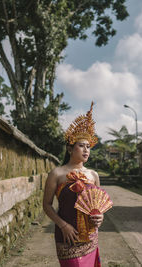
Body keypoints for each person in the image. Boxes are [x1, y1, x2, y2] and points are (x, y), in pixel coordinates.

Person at [43, 102, 104, 267]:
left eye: (88, 147)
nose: (86, 150)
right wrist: (63, 226)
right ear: (70, 149)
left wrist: (100, 217)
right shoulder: (57, 173)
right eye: (81, 146)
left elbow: (98, 205)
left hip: (91, 236)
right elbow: (47, 205)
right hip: (67, 235)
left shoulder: (93, 175)